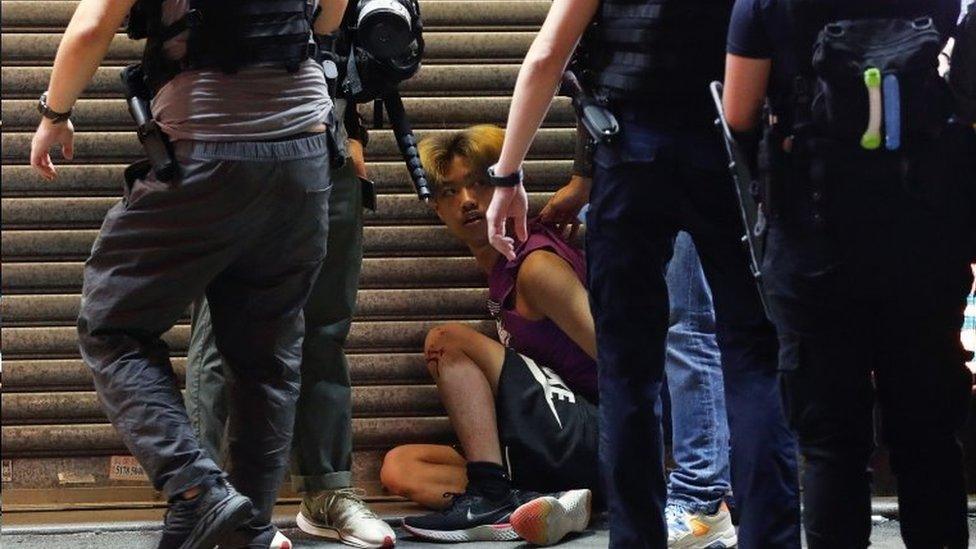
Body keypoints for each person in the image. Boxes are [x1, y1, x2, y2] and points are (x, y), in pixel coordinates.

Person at [483, 0, 801, 547]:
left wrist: (507, 176)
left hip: (629, 156)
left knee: (628, 371)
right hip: (728, 155)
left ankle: (635, 538)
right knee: (755, 357)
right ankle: (770, 536)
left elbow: (547, 57)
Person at [29, 0, 346, 547]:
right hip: (303, 156)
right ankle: (242, 528)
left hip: (207, 155)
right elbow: (329, 17)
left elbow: (91, 26)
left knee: (112, 327)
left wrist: (54, 113)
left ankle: (199, 492)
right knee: (266, 359)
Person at [380, 125, 737, 548]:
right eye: (449, 192)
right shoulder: (500, 272)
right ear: (436, 209)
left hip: (605, 430)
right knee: (401, 466)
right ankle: (544, 503)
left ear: (511, 188)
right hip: (567, 436)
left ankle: (495, 501)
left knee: (448, 341)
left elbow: (623, 365)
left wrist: (653, 460)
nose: (468, 201)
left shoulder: (535, 268)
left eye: (480, 184)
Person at [724, 0, 975, 547]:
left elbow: (739, 114)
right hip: (926, 239)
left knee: (830, 443)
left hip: (814, 241)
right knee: (928, 434)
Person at [185, 94, 395, 548]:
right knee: (223, 334)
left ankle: (326, 491)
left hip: (328, 152)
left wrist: (354, 136)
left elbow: (358, 55)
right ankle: (205, 499)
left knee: (324, 331)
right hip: (233, 150)